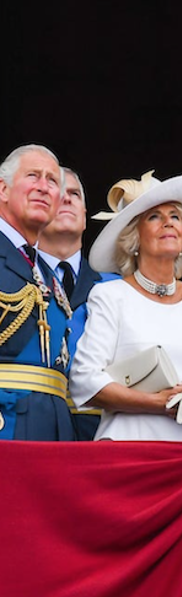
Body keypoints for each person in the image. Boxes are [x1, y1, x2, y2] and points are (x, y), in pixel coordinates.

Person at [69, 170, 182, 441]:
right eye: (154, 217)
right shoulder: (110, 296)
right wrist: (160, 403)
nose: (168, 223)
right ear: (134, 239)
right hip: (134, 449)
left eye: (175, 216)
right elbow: (86, 381)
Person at [0, 144, 76, 440]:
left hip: (52, 427)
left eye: (52, 181)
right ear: (3, 189)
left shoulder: (45, 270)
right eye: (33, 176)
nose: (44, 188)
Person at [38, 167, 119, 440]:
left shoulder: (118, 288)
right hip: (31, 430)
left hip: (104, 433)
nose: (66, 199)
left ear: (85, 216)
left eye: (74, 194)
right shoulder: (12, 281)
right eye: (56, 193)